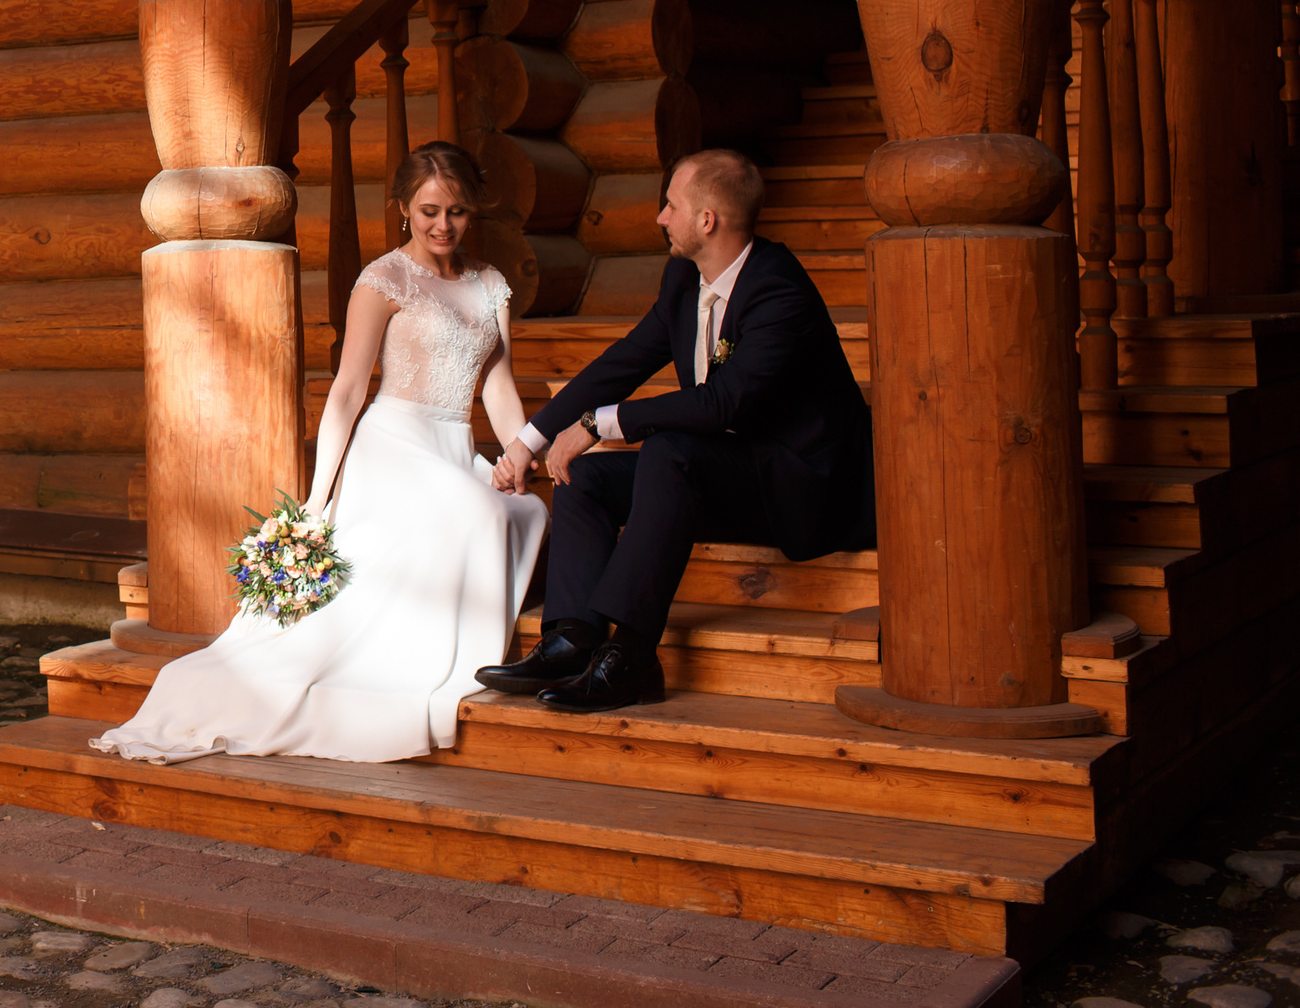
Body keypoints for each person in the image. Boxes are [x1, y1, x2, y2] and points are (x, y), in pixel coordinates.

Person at [92, 142, 549, 764]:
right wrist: (317, 496)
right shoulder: (384, 279)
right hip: (394, 445)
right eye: (430, 211)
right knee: (484, 516)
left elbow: (496, 381)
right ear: (403, 209)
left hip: (453, 446)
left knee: (527, 510)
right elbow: (347, 391)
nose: (444, 226)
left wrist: (518, 452)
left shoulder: (489, 284)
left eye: (459, 213)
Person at [475, 148, 874, 714]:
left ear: (706, 220)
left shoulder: (778, 289)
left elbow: (724, 403)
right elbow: (628, 359)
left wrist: (601, 423)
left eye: (671, 204)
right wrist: (529, 441)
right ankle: (573, 640)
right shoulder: (685, 279)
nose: (661, 217)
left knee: (667, 449)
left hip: (801, 486)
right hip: (724, 472)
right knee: (587, 477)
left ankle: (633, 655)